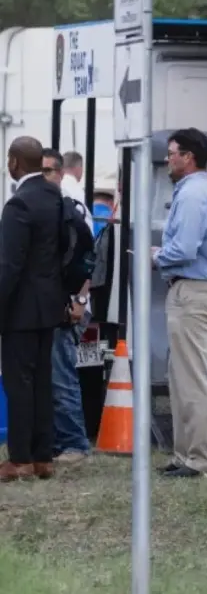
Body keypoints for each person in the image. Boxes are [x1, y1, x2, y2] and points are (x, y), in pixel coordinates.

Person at [152, 128, 207, 479]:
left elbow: (184, 249)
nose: (167, 159)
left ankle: (201, 460)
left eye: (172, 153)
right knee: (184, 377)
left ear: (188, 157)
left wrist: (156, 256)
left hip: (192, 292)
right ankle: (185, 454)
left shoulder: (190, 195)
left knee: (192, 380)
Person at [0, 137, 70, 482]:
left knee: (19, 384)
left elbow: (9, 265)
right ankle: (43, 457)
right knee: (42, 381)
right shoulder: (55, 197)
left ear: (15, 162)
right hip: (50, 306)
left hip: (20, 309)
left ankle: (20, 459)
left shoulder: (19, 204)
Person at [42, 149, 94, 465]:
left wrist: (80, 300)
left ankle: (74, 443)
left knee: (61, 375)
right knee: (53, 375)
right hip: (58, 301)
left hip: (69, 303)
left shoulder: (70, 204)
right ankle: (60, 442)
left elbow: (86, 258)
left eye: (48, 170)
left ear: (62, 172)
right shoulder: (56, 202)